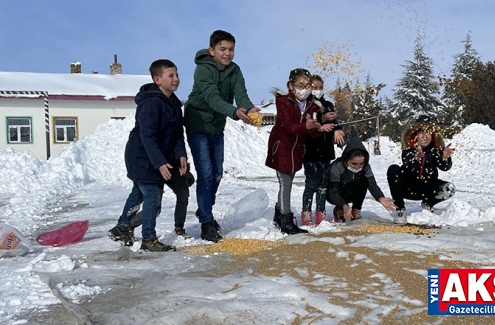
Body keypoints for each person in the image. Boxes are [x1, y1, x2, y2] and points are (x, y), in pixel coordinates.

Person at [184, 30, 260, 243]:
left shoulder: (235, 70)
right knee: (206, 173)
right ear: (212, 50)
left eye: (231, 49)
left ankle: (204, 209)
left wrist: (248, 109)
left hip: (217, 126)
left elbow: (241, 95)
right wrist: (235, 112)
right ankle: (207, 222)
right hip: (197, 123)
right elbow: (212, 98)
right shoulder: (202, 70)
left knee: (217, 173)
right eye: (222, 49)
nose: (227, 54)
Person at [108, 59, 186, 252]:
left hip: (157, 157)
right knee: (151, 195)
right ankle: (148, 239)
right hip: (141, 156)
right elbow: (147, 136)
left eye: (177, 74)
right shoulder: (151, 103)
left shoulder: (174, 103)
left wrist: (181, 155)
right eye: (171, 75)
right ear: (157, 79)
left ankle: (122, 227)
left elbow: (177, 134)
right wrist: (160, 162)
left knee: (138, 193)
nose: (176, 79)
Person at [265, 68, 334, 235]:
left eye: (307, 86)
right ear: (291, 86)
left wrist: (319, 128)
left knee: (288, 181)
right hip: (282, 146)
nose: (304, 89)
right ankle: (286, 220)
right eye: (300, 85)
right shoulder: (283, 102)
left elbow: (310, 130)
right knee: (286, 183)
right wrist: (307, 126)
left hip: (296, 149)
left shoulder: (312, 104)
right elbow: (289, 126)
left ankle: (278, 213)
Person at [386, 115, 456, 225]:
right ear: (415, 135)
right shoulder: (408, 148)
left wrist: (445, 157)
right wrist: (417, 157)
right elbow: (407, 164)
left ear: (433, 134)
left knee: (449, 188)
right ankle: (400, 210)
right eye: (421, 132)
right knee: (393, 169)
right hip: (408, 188)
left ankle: (428, 204)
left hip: (427, 188)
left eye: (428, 132)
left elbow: (445, 167)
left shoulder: (436, 149)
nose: (425, 136)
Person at [300, 74, 345, 226]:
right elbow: (309, 124)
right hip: (310, 151)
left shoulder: (328, 104)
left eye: (320, 87)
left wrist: (338, 129)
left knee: (323, 184)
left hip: (325, 151)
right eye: (314, 87)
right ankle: (306, 213)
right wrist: (322, 120)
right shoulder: (305, 105)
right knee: (311, 183)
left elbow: (334, 122)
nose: (317, 90)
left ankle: (321, 212)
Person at [327, 136, 396, 222]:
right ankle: (339, 210)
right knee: (343, 185)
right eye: (354, 163)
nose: (357, 167)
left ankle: (356, 209)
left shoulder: (366, 167)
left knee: (364, 180)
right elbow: (333, 191)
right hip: (336, 194)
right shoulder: (337, 167)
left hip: (355, 192)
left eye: (361, 164)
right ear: (347, 159)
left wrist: (381, 198)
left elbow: (372, 184)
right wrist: (343, 205)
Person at [127, 166, 195, 239]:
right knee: (155, 207)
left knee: (183, 193)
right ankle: (129, 226)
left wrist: (185, 169)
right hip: (155, 170)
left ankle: (179, 228)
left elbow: (180, 155)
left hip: (172, 169)